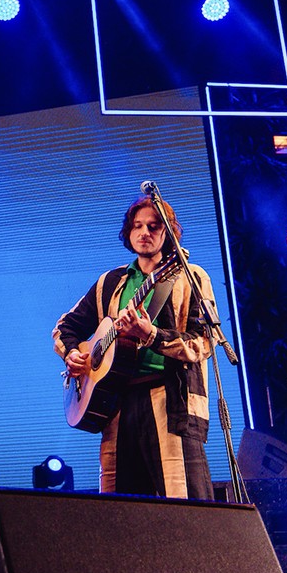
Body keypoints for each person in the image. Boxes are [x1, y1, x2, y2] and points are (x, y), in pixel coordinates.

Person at [53, 196, 216, 499]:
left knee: (183, 502)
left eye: (154, 227)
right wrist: (73, 353)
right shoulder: (110, 281)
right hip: (117, 404)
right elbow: (66, 327)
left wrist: (151, 334)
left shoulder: (190, 277)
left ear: (168, 234)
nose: (145, 232)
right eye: (137, 226)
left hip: (170, 400)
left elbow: (203, 342)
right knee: (123, 510)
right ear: (128, 233)